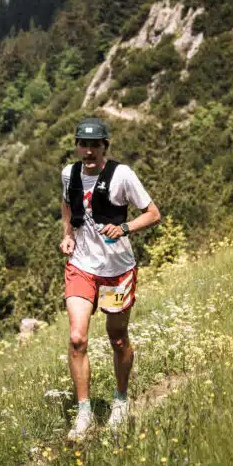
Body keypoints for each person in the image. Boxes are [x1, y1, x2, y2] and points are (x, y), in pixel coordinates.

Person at [60, 117, 161, 441]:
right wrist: (67, 235)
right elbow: (66, 204)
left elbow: (153, 213)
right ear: (77, 145)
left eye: (95, 145)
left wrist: (126, 227)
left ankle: (120, 400)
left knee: (117, 338)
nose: (88, 151)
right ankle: (84, 411)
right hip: (81, 266)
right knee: (77, 339)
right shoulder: (69, 174)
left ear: (105, 146)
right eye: (83, 144)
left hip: (118, 269)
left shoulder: (122, 175)